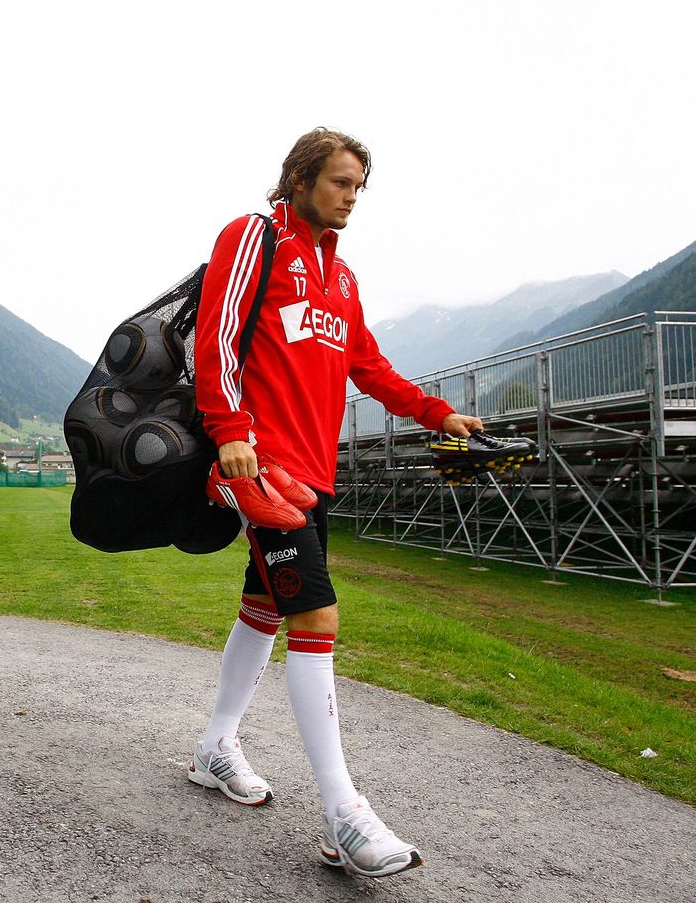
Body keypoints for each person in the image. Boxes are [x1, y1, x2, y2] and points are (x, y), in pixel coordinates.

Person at [189, 128, 485, 879]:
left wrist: (435, 413)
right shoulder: (254, 239)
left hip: (313, 478)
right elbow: (216, 342)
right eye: (341, 182)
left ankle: (215, 747)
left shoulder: (341, 279)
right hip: (261, 470)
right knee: (315, 614)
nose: (352, 196)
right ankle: (344, 814)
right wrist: (229, 432)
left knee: (264, 609)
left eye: (359, 186)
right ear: (299, 178)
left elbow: (369, 366)